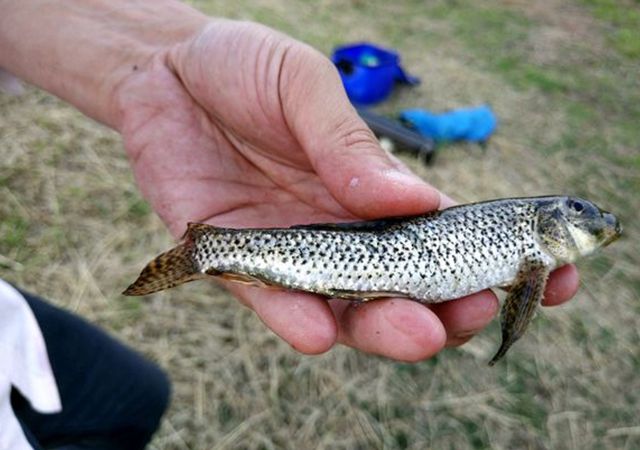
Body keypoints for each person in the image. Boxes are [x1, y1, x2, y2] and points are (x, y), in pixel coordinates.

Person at [0, 0, 580, 448]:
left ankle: (210, 252)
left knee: (134, 400)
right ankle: (209, 252)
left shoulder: (533, 247)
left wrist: (163, 60)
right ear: (552, 227)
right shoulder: (531, 244)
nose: (593, 224)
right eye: (581, 217)